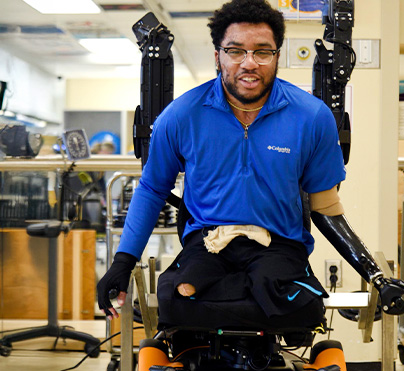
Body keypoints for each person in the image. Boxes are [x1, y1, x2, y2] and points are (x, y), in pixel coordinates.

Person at [97, 0, 386, 322]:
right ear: (218, 56)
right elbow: (152, 190)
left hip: (279, 243)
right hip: (208, 241)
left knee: (297, 303)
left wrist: (373, 274)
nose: (249, 63)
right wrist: (122, 262)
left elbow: (326, 206)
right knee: (177, 298)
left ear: (276, 56)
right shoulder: (181, 116)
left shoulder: (311, 117)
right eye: (235, 51)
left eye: (262, 51)